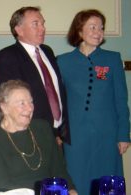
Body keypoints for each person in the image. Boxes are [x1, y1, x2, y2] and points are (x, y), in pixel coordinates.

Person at [57, 9, 130, 195]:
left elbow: (121, 100)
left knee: (107, 183)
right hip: (75, 136)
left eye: (101, 28)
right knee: (76, 179)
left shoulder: (112, 59)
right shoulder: (63, 62)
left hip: (107, 134)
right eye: (93, 27)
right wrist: (58, 132)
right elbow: (58, 102)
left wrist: (123, 134)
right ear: (80, 31)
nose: (98, 32)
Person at [0, 80, 78, 195]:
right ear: (4, 107)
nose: (29, 108)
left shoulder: (43, 128)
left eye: (31, 102)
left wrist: (71, 189)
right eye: (22, 103)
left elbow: (59, 170)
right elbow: (4, 185)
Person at [0, 6, 70, 144]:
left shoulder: (47, 51)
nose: (42, 28)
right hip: (28, 136)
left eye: (43, 23)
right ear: (19, 30)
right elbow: (0, 101)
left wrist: (58, 130)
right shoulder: (7, 56)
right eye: (35, 24)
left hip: (56, 135)